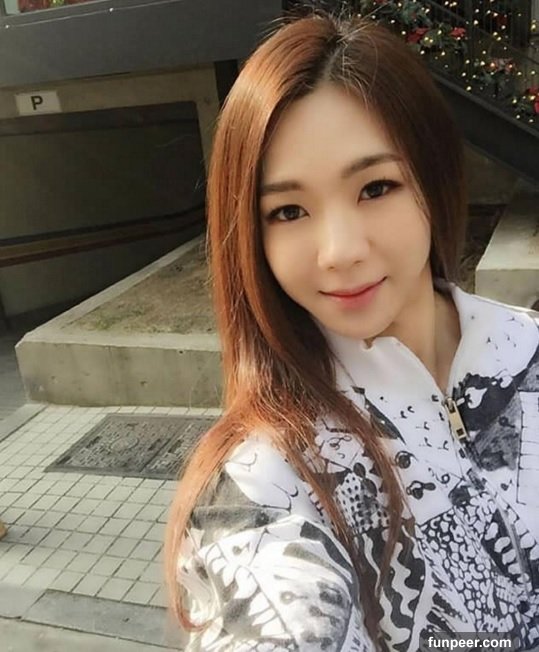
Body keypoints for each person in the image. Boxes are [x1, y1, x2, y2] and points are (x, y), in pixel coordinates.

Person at [164, 9, 539, 651]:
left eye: (375, 187)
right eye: (288, 211)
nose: (339, 251)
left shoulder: (526, 350)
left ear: (433, 179)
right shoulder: (268, 479)